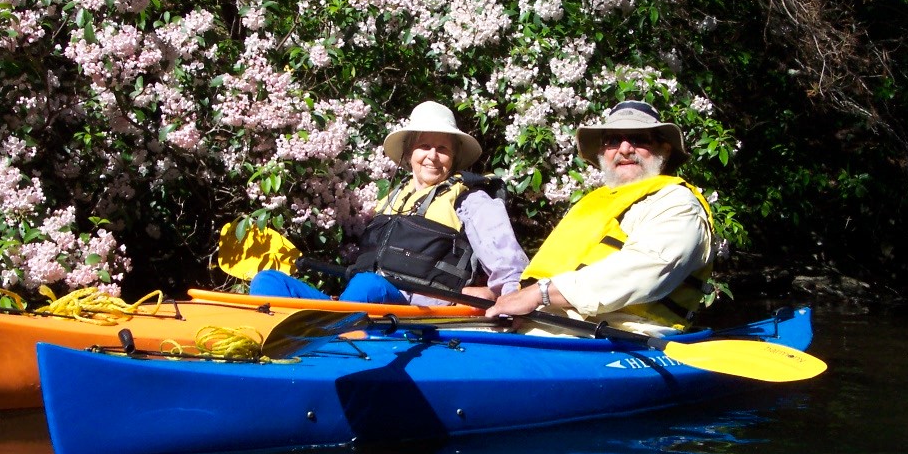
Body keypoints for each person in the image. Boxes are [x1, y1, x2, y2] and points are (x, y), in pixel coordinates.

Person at [250, 101, 530, 305]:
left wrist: (500, 295)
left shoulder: (471, 199)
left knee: (367, 285)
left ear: (454, 158)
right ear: (409, 153)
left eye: (442, 149)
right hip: (364, 302)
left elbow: (507, 263)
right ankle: (279, 341)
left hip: (418, 310)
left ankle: (336, 338)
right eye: (424, 146)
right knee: (268, 280)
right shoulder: (390, 200)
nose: (432, 156)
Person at [485, 100, 715, 336]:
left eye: (639, 140)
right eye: (613, 140)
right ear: (603, 152)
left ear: (664, 150)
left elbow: (646, 271)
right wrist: (503, 296)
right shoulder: (596, 202)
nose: (624, 149)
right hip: (552, 321)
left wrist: (540, 294)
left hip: (623, 333)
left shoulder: (677, 202)